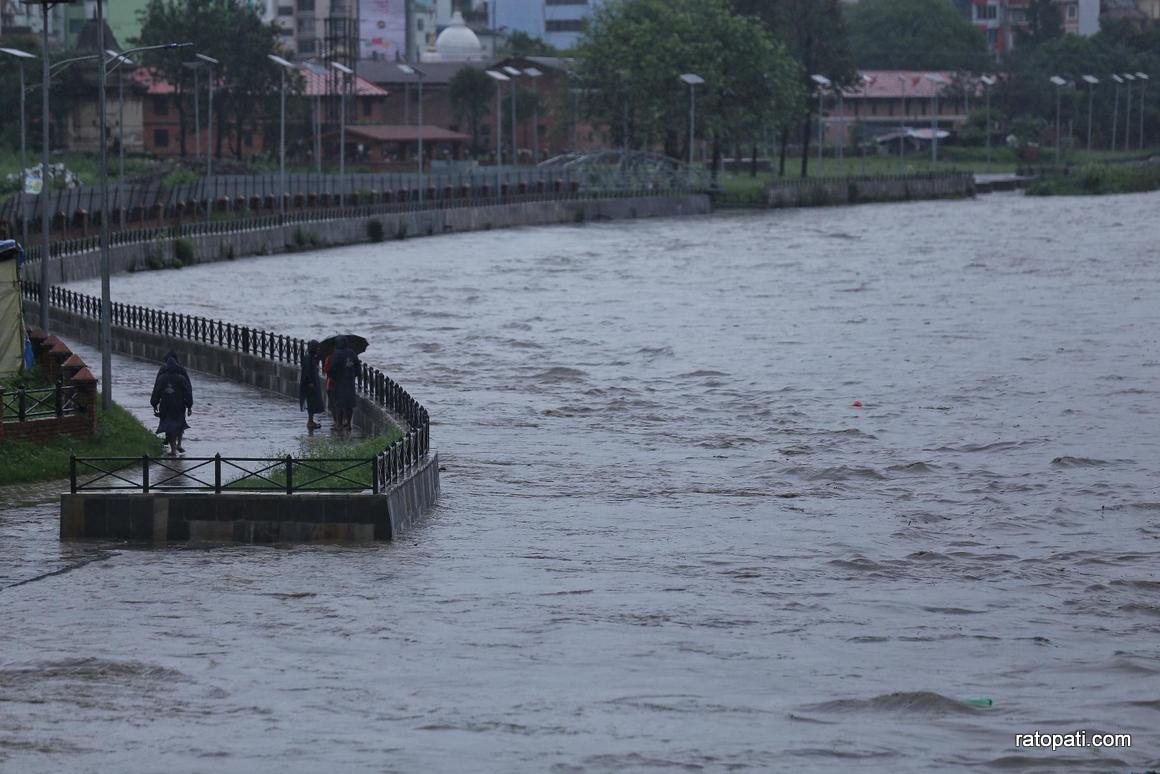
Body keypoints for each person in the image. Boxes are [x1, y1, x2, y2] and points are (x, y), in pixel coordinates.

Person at [151, 350, 193, 454]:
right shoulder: (182, 374)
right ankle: (179, 444)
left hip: (165, 404)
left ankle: (173, 449)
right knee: (179, 423)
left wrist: (154, 403)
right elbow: (188, 389)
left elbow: (156, 389)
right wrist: (189, 405)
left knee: (169, 425)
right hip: (179, 404)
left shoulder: (162, 375)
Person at [327, 335, 359, 431]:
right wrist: (353, 376)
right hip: (350, 382)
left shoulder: (337, 353)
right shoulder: (352, 353)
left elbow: (331, 368)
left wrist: (335, 378)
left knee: (339, 404)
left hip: (339, 382)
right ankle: (348, 424)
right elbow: (358, 366)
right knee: (349, 404)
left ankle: (339, 425)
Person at [299, 340, 325, 431]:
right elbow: (307, 372)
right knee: (311, 402)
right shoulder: (308, 358)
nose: (318, 350)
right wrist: (310, 382)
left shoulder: (312, 358)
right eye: (317, 348)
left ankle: (311, 421)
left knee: (313, 402)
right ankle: (310, 422)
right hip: (309, 384)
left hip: (313, 383)